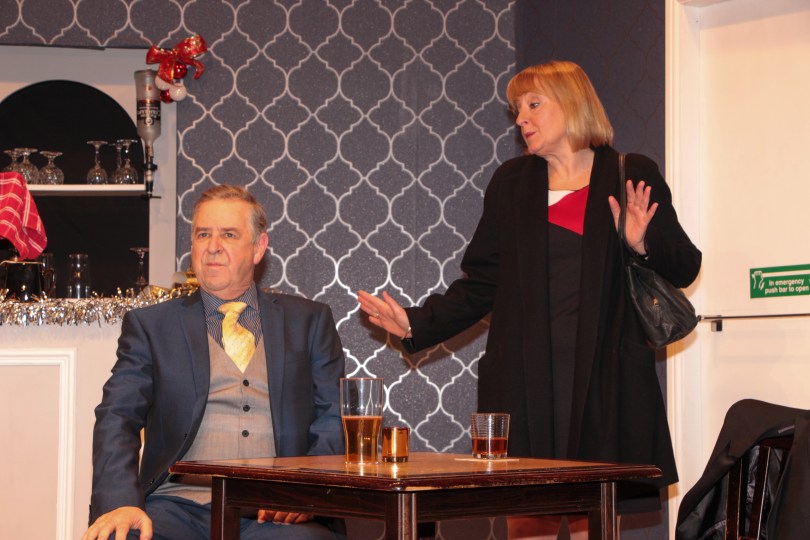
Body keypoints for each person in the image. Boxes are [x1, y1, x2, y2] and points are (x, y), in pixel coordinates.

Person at [358, 60, 701, 539]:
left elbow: (685, 265)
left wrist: (642, 242)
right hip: (524, 380)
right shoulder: (511, 182)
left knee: (593, 517)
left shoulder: (629, 172)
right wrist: (416, 323)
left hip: (604, 381)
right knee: (526, 512)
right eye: (517, 108)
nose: (521, 118)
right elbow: (482, 283)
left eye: (533, 104)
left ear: (573, 103)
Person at [83, 185, 346, 540]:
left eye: (229, 234)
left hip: (276, 512)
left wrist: (307, 491)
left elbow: (334, 417)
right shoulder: (152, 327)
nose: (213, 246)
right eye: (203, 234)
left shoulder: (309, 322)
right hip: (175, 507)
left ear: (259, 248)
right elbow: (117, 416)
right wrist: (120, 503)